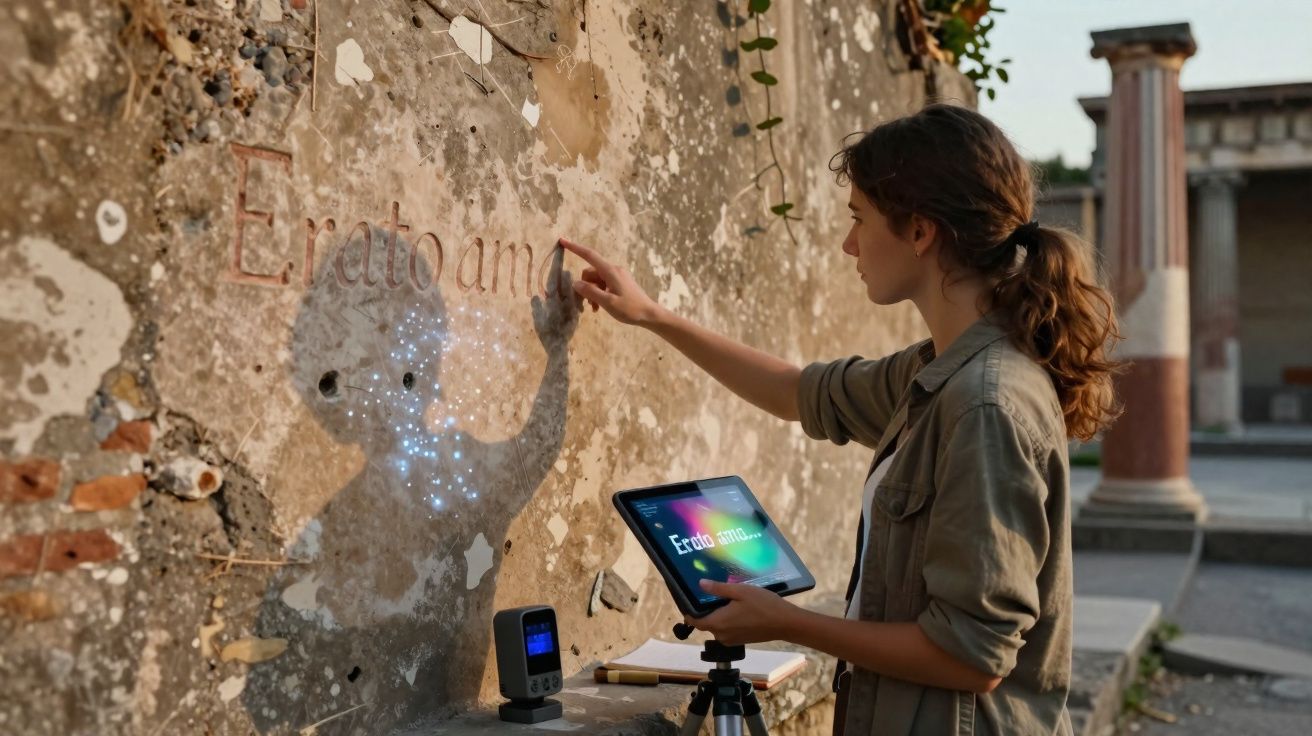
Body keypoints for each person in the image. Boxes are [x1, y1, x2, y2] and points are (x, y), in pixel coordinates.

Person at [557, 102, 1121, 735]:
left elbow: (975, 653)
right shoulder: (938, 372)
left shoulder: (985, 402)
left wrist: (787, 623)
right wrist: (654, 316)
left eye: (860, 218)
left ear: (920, 231)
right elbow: (801, 392)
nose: (849, 243)